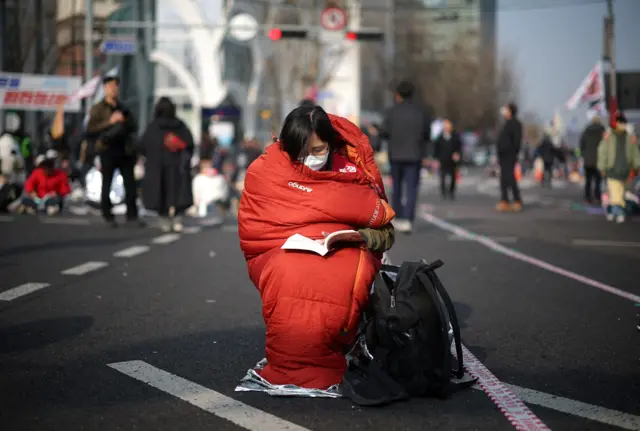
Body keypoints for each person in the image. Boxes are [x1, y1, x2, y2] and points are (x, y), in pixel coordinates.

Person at [238, 105, 396, 390]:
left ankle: (335, 345)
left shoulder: (350, 170)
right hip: (278, 247)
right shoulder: (265, 170)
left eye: (318, 150)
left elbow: (382, 225)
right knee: (289, 271)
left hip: (342, 247)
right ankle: (310, 359)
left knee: (344, 272)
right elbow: (256, 228)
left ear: (331, 145)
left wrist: (359, 237)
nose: (309, 159)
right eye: (301, 151)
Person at [86, 75, 141, 228]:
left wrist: (124, 121)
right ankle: (107, 214)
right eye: (110, 86)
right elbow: (90, 129)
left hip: (125, 150)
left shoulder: (123, 108)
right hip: (107, 149)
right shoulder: (98, 109)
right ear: (105, 88)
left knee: (130, 184)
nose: (114, 89)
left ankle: (132, 215)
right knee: (107, 182)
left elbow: (134, 127)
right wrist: (110, 122)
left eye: (116, 86)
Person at [377, 81, 431, 233]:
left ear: (398, 94)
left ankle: (397, 216)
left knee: (396, 187)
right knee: (412, 188)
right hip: (415, 154)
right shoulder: (421, 112)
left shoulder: (392, 111)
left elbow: (384, 132)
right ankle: (408, 219)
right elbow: (427, 134)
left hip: (396, 154)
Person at [139, 97, 194, 232]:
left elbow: (142, 146)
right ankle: (177, 217)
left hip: (157, 168)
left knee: (160, 193)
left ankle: (164, 219)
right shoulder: (180, 126)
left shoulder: (153, 127)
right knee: (178, 192)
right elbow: (189, 145)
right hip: (177, 167)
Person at [597, 112, 640, 223]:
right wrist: (602, 167)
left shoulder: (630, 138)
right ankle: (619, 212)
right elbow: (603, 152)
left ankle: (611, 210)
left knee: (620, 193)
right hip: (612, 170)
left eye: (623, 123)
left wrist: (637, 165)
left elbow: (635, 153)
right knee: (616, 194)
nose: (622, 125)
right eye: (620, 123)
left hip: (625, 170)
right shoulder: (608, 137)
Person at [19, 149, 70, 215]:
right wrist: (32, 193)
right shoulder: (37, 173)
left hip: (52, 199)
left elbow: (65, 190)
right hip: (38, 199)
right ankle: (31, 208)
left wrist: (57, 193)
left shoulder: (60, 175)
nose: (47, 170)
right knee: (25, 200)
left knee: (52, 204)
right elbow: (29, 184)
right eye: (45, 168)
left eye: (49, 168)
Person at [496, 102, 523, 212]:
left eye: (506, 109)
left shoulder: (515, 124)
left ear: (511, 111)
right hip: (502, 155)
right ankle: (504, 200)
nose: (504, 111)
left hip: (509, 155)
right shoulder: (506, 123)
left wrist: (513, 152)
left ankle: (517, 200)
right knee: (503, 179)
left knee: (510, 178)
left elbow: (516, 141)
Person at [433, 119, 462, 200]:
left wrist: (457, 153)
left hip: (452, 160)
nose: (447, 128)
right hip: (442, 159)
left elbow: (459, 147)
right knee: (442, 176)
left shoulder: (455, 136)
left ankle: (451, 192)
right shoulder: (440, 137)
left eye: (448, 126)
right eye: (445, 126)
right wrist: (436, 159)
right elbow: (436, 148)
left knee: (453, 176)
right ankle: (443, 192)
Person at [580, 114, 606, 204]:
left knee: (588, 180)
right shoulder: (602, 131)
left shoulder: (586, 131)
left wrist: (584, 155)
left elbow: (581, 145)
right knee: (598, 180)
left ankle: (588, 198)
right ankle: (598, 197)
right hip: (599, 159)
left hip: (588, 160)